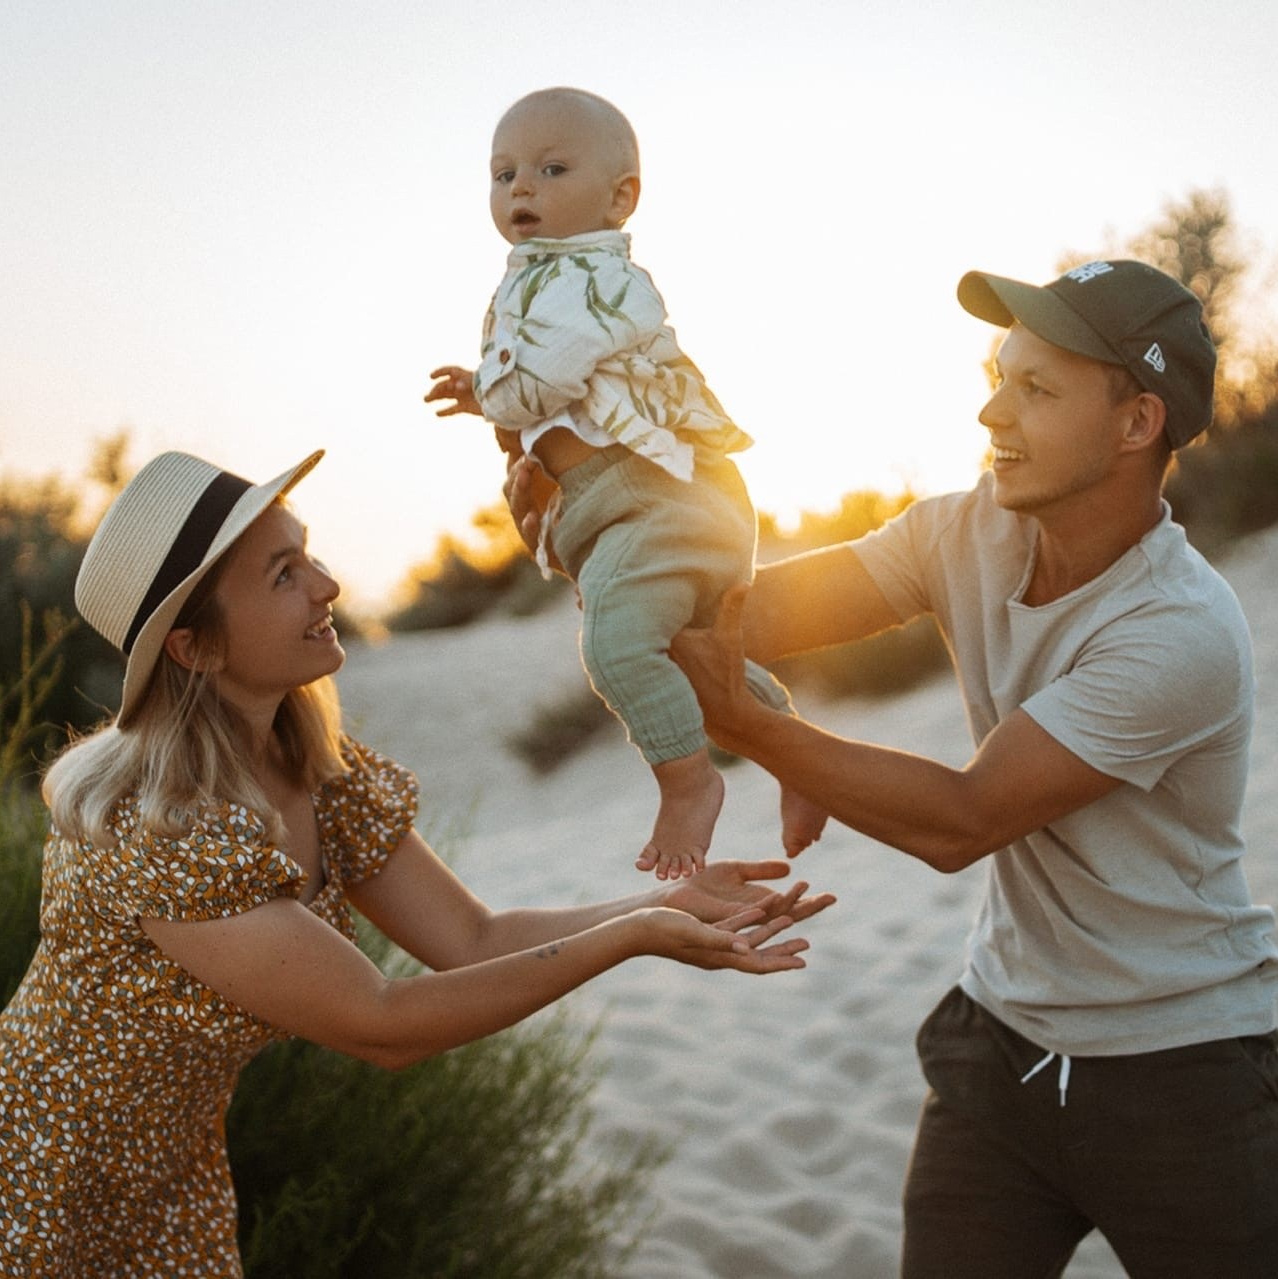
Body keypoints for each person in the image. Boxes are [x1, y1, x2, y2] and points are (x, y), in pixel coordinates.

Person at [513, 257, 1278, 1275]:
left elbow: (961, 821)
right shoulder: (965, 527)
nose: (991, 411)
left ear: (1138, 423)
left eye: (1037, 389)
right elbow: (753, 612)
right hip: (997, 1045)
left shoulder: (1178, 629)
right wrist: (602, 545)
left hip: (1182, 1072)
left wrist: (757, 729)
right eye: (998, 374)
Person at [0, 447, 835, 1277]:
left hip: (166, 1178)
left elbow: (473, 937)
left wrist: (666, 903)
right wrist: (635, 937)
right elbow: (386, 1023)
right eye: (284, 575)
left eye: (308, 553)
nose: (327, 585)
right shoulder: (158, 827)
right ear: (195, 647)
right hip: (33, 1177)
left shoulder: (318, 770)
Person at [425, 85, 826, 881]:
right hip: (625, 505)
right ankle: (800, 757)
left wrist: (489, 391)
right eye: (502, 174)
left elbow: (540, 379)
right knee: (682, 659)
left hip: (659, 493)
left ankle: (688, 781)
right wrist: (491, 396)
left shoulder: (598, 279)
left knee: (614, 645)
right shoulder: (535, 279)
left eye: (549, 168)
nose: (521, 189)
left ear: (621, 197)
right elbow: (534, 390)